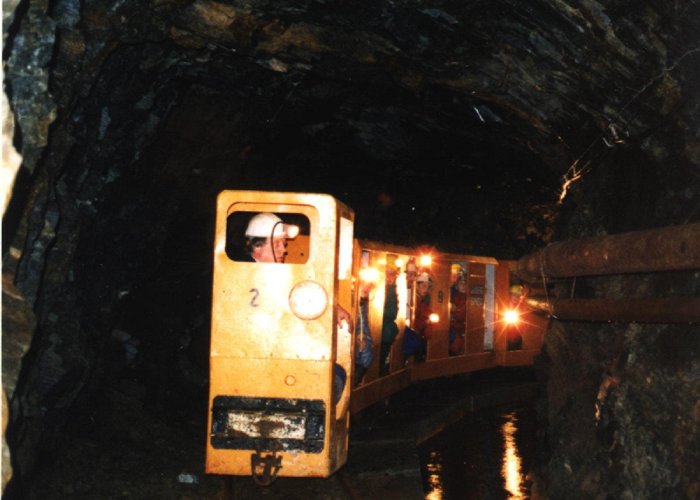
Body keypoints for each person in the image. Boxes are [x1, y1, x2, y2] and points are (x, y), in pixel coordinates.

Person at [353, 279, 375, 387]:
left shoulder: (363, 306)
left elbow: (362, 324)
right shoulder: (349, 298)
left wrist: (362, 337)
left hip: (354, 338)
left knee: (366, 351)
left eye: (367, 292)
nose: (365, 293)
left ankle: (353, 384)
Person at [379, 266, 399, 375]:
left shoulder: (391, 289)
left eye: (392, 274)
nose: (389, 277)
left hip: (384, 331)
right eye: (387, 273)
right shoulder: (377, 288)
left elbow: (392, 312)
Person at [449, 276, 467, 355]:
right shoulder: (453, 297)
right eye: (461, 284)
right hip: (454, 326)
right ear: (457, 286)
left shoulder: (469, 297)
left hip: (465, 326)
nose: (463, 286)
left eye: (465, 284)